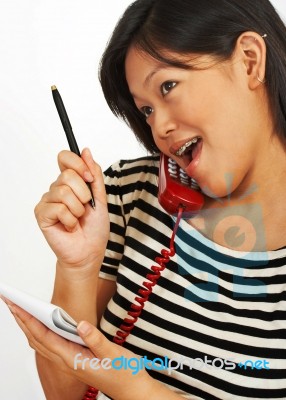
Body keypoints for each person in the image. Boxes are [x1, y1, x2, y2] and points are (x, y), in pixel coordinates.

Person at [3, 0, 286, 399]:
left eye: (167, 87)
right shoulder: (127, 192)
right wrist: (78, 268)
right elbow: (63, 395)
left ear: (249, 61)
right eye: (146, 110)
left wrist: (139, 390)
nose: (160, 128)